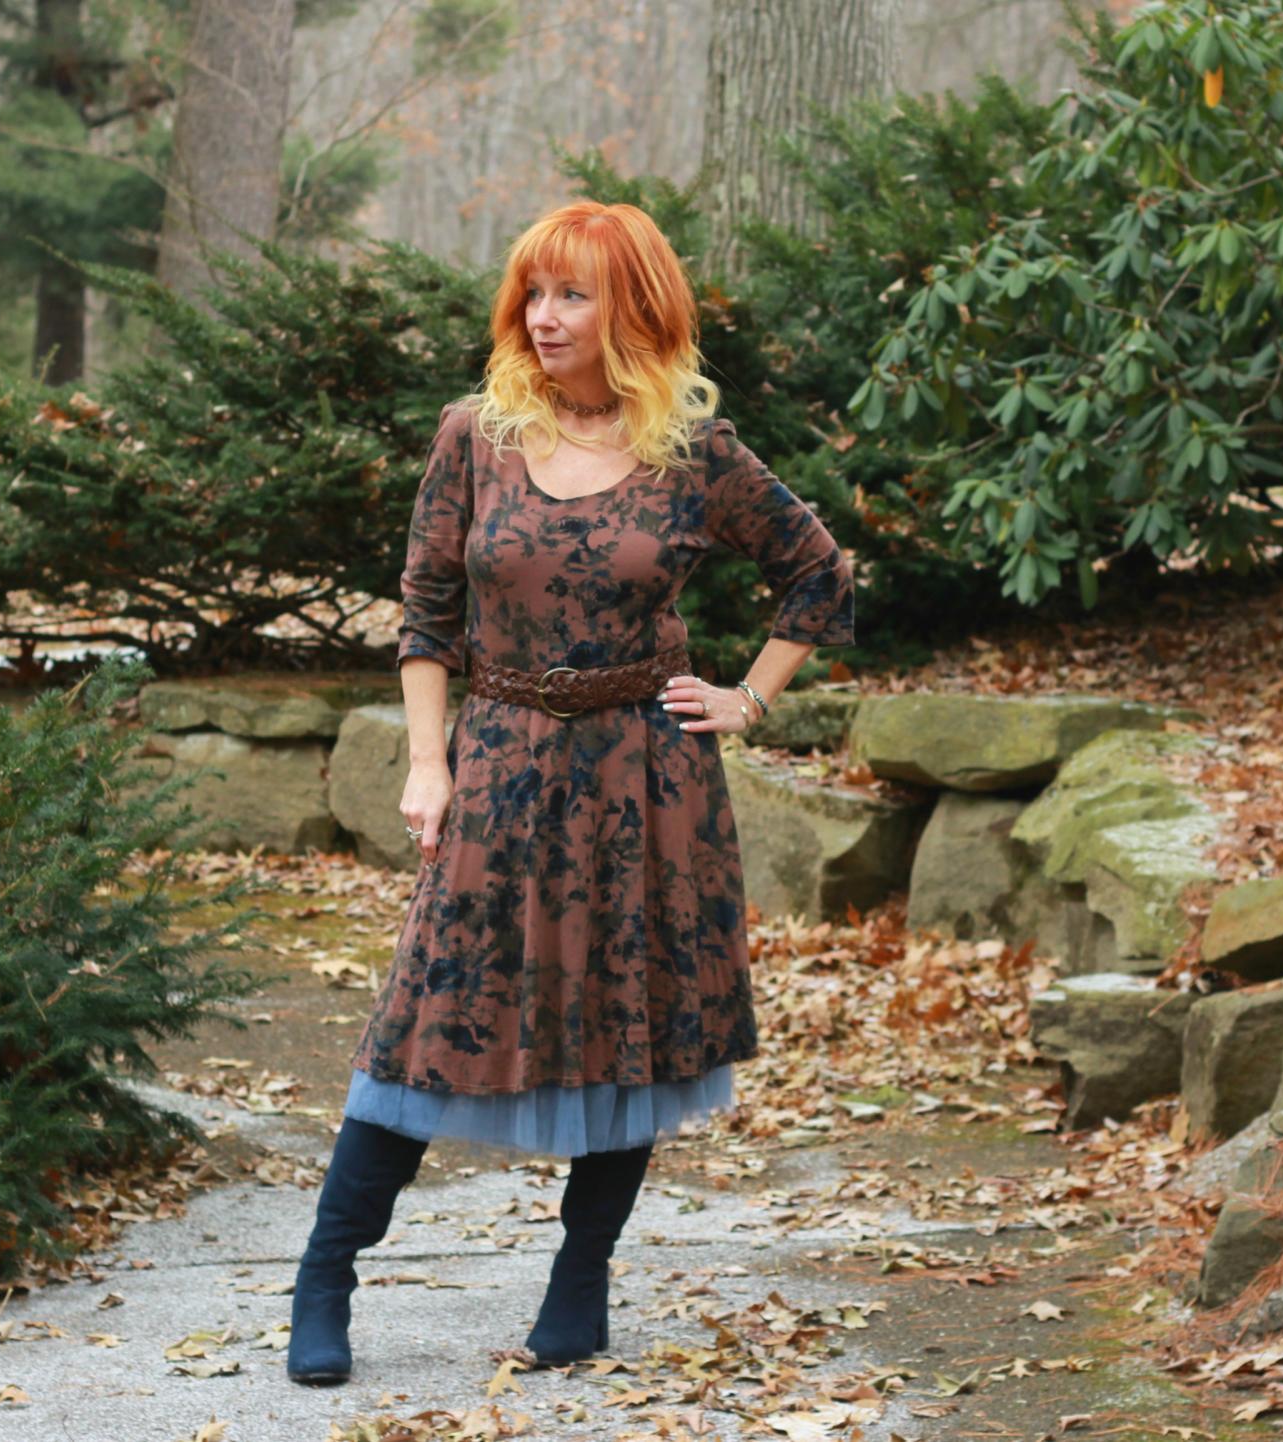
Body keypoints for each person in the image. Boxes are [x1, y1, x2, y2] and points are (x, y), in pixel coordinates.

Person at [287, 200, 856, 1386]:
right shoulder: (475, 434)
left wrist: (746, 697)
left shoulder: (694, 453)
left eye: (574, 295)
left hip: (646, 780)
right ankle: (325, 1275)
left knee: (628, 1028)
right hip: (499, 760)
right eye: (533, 294)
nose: (544, 318)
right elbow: (428, 610)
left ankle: (579, 1278)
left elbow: (818, 573)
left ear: (633, 309)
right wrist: (430, 760)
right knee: (423, 1021)